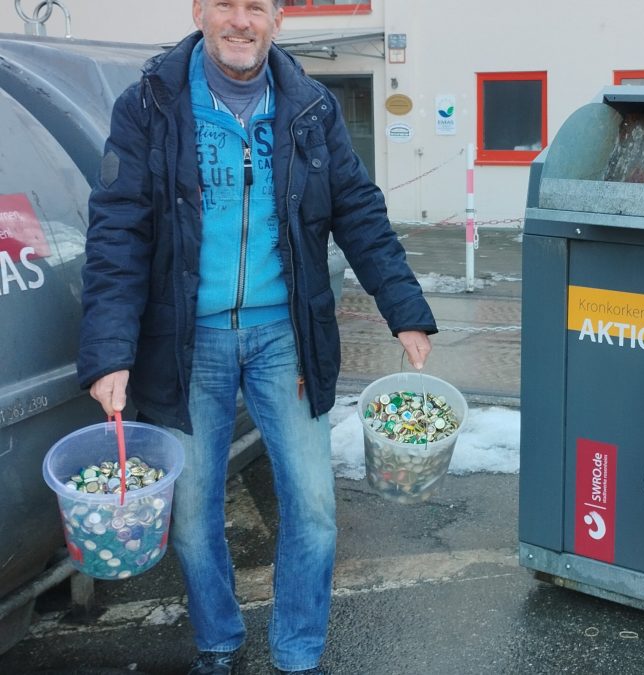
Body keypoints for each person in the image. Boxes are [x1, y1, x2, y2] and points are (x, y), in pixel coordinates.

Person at [77, 1, 436, 673]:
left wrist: (405, 307)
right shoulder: (150, 105)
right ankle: (218, 640)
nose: (240, 22)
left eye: (255, 7)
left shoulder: (311, 106)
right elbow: (118, 230)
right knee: (189, 512)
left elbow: (359, 210)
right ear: (199, 12)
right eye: (225, 5)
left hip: (285, 337)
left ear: (277, 19)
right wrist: (109, 350)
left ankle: (298, 652)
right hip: (186, 344)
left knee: (314, 505)